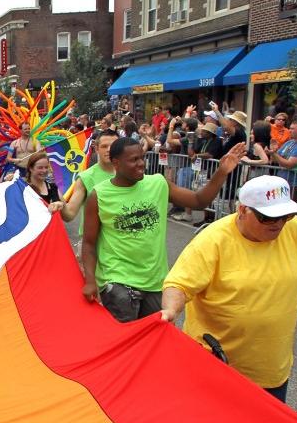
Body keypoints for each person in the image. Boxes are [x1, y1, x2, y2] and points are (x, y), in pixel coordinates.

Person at [161, 175, 297, 402]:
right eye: (267, 217)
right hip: (216, 365)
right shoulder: (214, 239)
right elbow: (179, 283)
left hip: (271, 370)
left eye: (286, 215)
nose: (279, 223)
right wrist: (171, 311)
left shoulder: (296, 230)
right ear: (243, 210)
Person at [81, 138, 246, 323]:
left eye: (142, 158)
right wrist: (90, 281)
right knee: (127, 344)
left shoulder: (158, 183)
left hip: (155, 281)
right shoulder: (99, 195)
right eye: (134, 160)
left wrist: (221, 172)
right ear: (116, 163)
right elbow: (89, 242)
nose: (141, 163)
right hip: (118, 281)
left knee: (157, 339)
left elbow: (199, 201)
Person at [62, 130, 119, 227]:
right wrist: (58, 197)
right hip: (93, 239)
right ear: (96, 149)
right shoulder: (85, 178)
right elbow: (69, 214)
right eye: (104, 146)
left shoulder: (128, 173)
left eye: (113, 146)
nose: (109, 149)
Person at [267, 118, 297, 208]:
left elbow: (289, 164)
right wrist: (273, 151)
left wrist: (274, 154)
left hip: (296, 184)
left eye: (292, 128)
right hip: (282, 182)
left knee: (293, 213)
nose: (289, 130)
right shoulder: (289, 142)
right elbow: (275, 160)